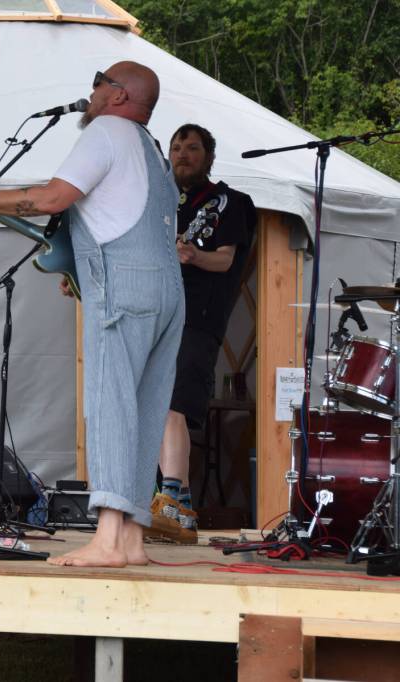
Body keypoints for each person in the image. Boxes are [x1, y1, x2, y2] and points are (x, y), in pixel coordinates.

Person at [0, 62, 184, 567]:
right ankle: (133, 538)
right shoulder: (152, 150)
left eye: (98, 83)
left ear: (118, 95)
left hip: (125, 288)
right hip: (167, 291)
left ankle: (109, 540)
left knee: (110, 401)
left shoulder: (106, 132)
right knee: (143, 410)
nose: (90, 92)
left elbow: (52, 198)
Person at [148, 124, 257, 544]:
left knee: (173, 405)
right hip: (157, 313)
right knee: (157, 407)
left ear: (209, 156)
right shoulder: (158, 202)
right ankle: (182, 509)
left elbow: (226, 261)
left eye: (192, 148)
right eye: (176, 147)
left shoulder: (229, 202)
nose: (182, 154)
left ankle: (171, 501)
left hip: (197, 317)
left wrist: (192, 253)